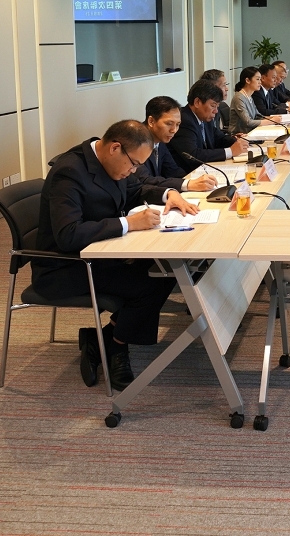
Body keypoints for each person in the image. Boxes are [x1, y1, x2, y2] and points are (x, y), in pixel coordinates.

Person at [31, 120, 199, 391]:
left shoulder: (110, 162)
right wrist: (127, 224)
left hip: (100, 254)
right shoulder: (69, 172)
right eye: (133, 164)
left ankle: (104, 338)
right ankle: (116, 347)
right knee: (150, 284)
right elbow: (68, 234)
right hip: (65, 266)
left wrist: (170, 194)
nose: (133, 171)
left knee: (166, 270)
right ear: (115, 148)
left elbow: (136, 189)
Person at [139, 95, 221, 192]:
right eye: (169, 124)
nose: (174, 130)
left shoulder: (160, 141)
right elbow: (145, 180)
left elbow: (173, 171)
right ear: (151, 121)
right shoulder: (137, 142)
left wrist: (194, 181)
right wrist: (188, 184)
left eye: (177, 124)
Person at [171, 79, 248, 173]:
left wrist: (237, 142)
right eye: (213, 106)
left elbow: (219, 138)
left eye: (217, 106)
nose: (216, 111)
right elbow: (193, 155)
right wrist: (230, 151)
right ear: (197, 102)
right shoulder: (183, 120)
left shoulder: (204, 117)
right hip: (188, 174)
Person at [230, 65, 282, 134]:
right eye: (257, 79)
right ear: (248, 80)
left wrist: (272, 118)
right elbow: (248, 122)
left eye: (260, 79)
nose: (260, 82)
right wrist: (271, 121)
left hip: (251, 132)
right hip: (240, 136)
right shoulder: (239, 98)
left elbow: (257, 116)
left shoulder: (249, 96)